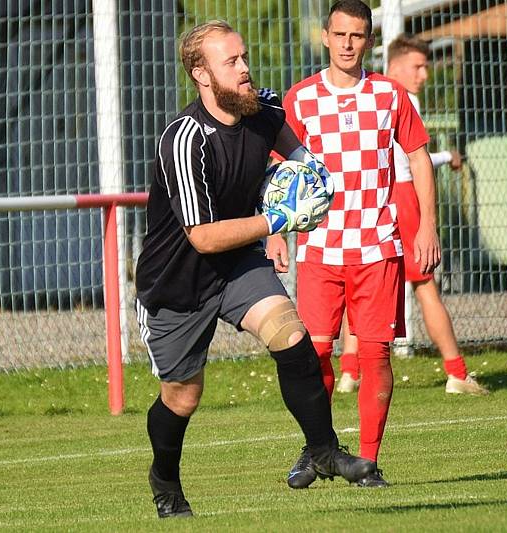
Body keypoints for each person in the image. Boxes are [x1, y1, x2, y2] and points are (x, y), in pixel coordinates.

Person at [134, 20, 376, 519]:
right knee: (183, 396)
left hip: (239, 266)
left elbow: (290, 144)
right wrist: (277, 220)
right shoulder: (185, 139)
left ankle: (323, 450)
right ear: (201, 75)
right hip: (177, 280)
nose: (245, 69)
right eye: (231, 62)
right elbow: (201, 236)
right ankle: (165, 481)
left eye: (244, 57)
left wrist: (305, 172)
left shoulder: (261, 105)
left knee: (292, 336)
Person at [267, 0, 435, 488]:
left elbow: (420, 159)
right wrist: (275, 232)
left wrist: (425, 228)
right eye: (339, 35)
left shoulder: (389, 95)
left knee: (375, 355)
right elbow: (279, 170)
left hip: (377, 247)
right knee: (313, 356)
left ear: (368, 40)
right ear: (325, 36)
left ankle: (367, 461)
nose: (347, 44)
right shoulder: (299, 99)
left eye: (357, 36)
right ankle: (316, 449)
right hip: (319, 250)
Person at [336, 34, 489, 396]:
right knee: (425, 287)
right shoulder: (401, 98)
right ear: (396, 64)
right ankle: (457, 373)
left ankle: (348, 372)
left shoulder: (366, 93)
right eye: (417, 66)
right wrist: (445, 158)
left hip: (365, 197)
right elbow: (409, 160)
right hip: (400, 196)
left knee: (356, 287)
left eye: (425, 67)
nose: (423, 75)